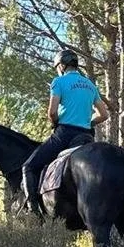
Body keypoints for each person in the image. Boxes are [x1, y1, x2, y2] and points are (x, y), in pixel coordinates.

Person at [22, 49, 109, 214]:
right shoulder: (90, 85)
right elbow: (104, 114)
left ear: (61, 66)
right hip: (86, 136)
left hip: (65, 134)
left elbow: (52, 112)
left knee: (28, 167)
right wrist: (87, 122)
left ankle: (33, 211)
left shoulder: (58, 82)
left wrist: (55, 123)